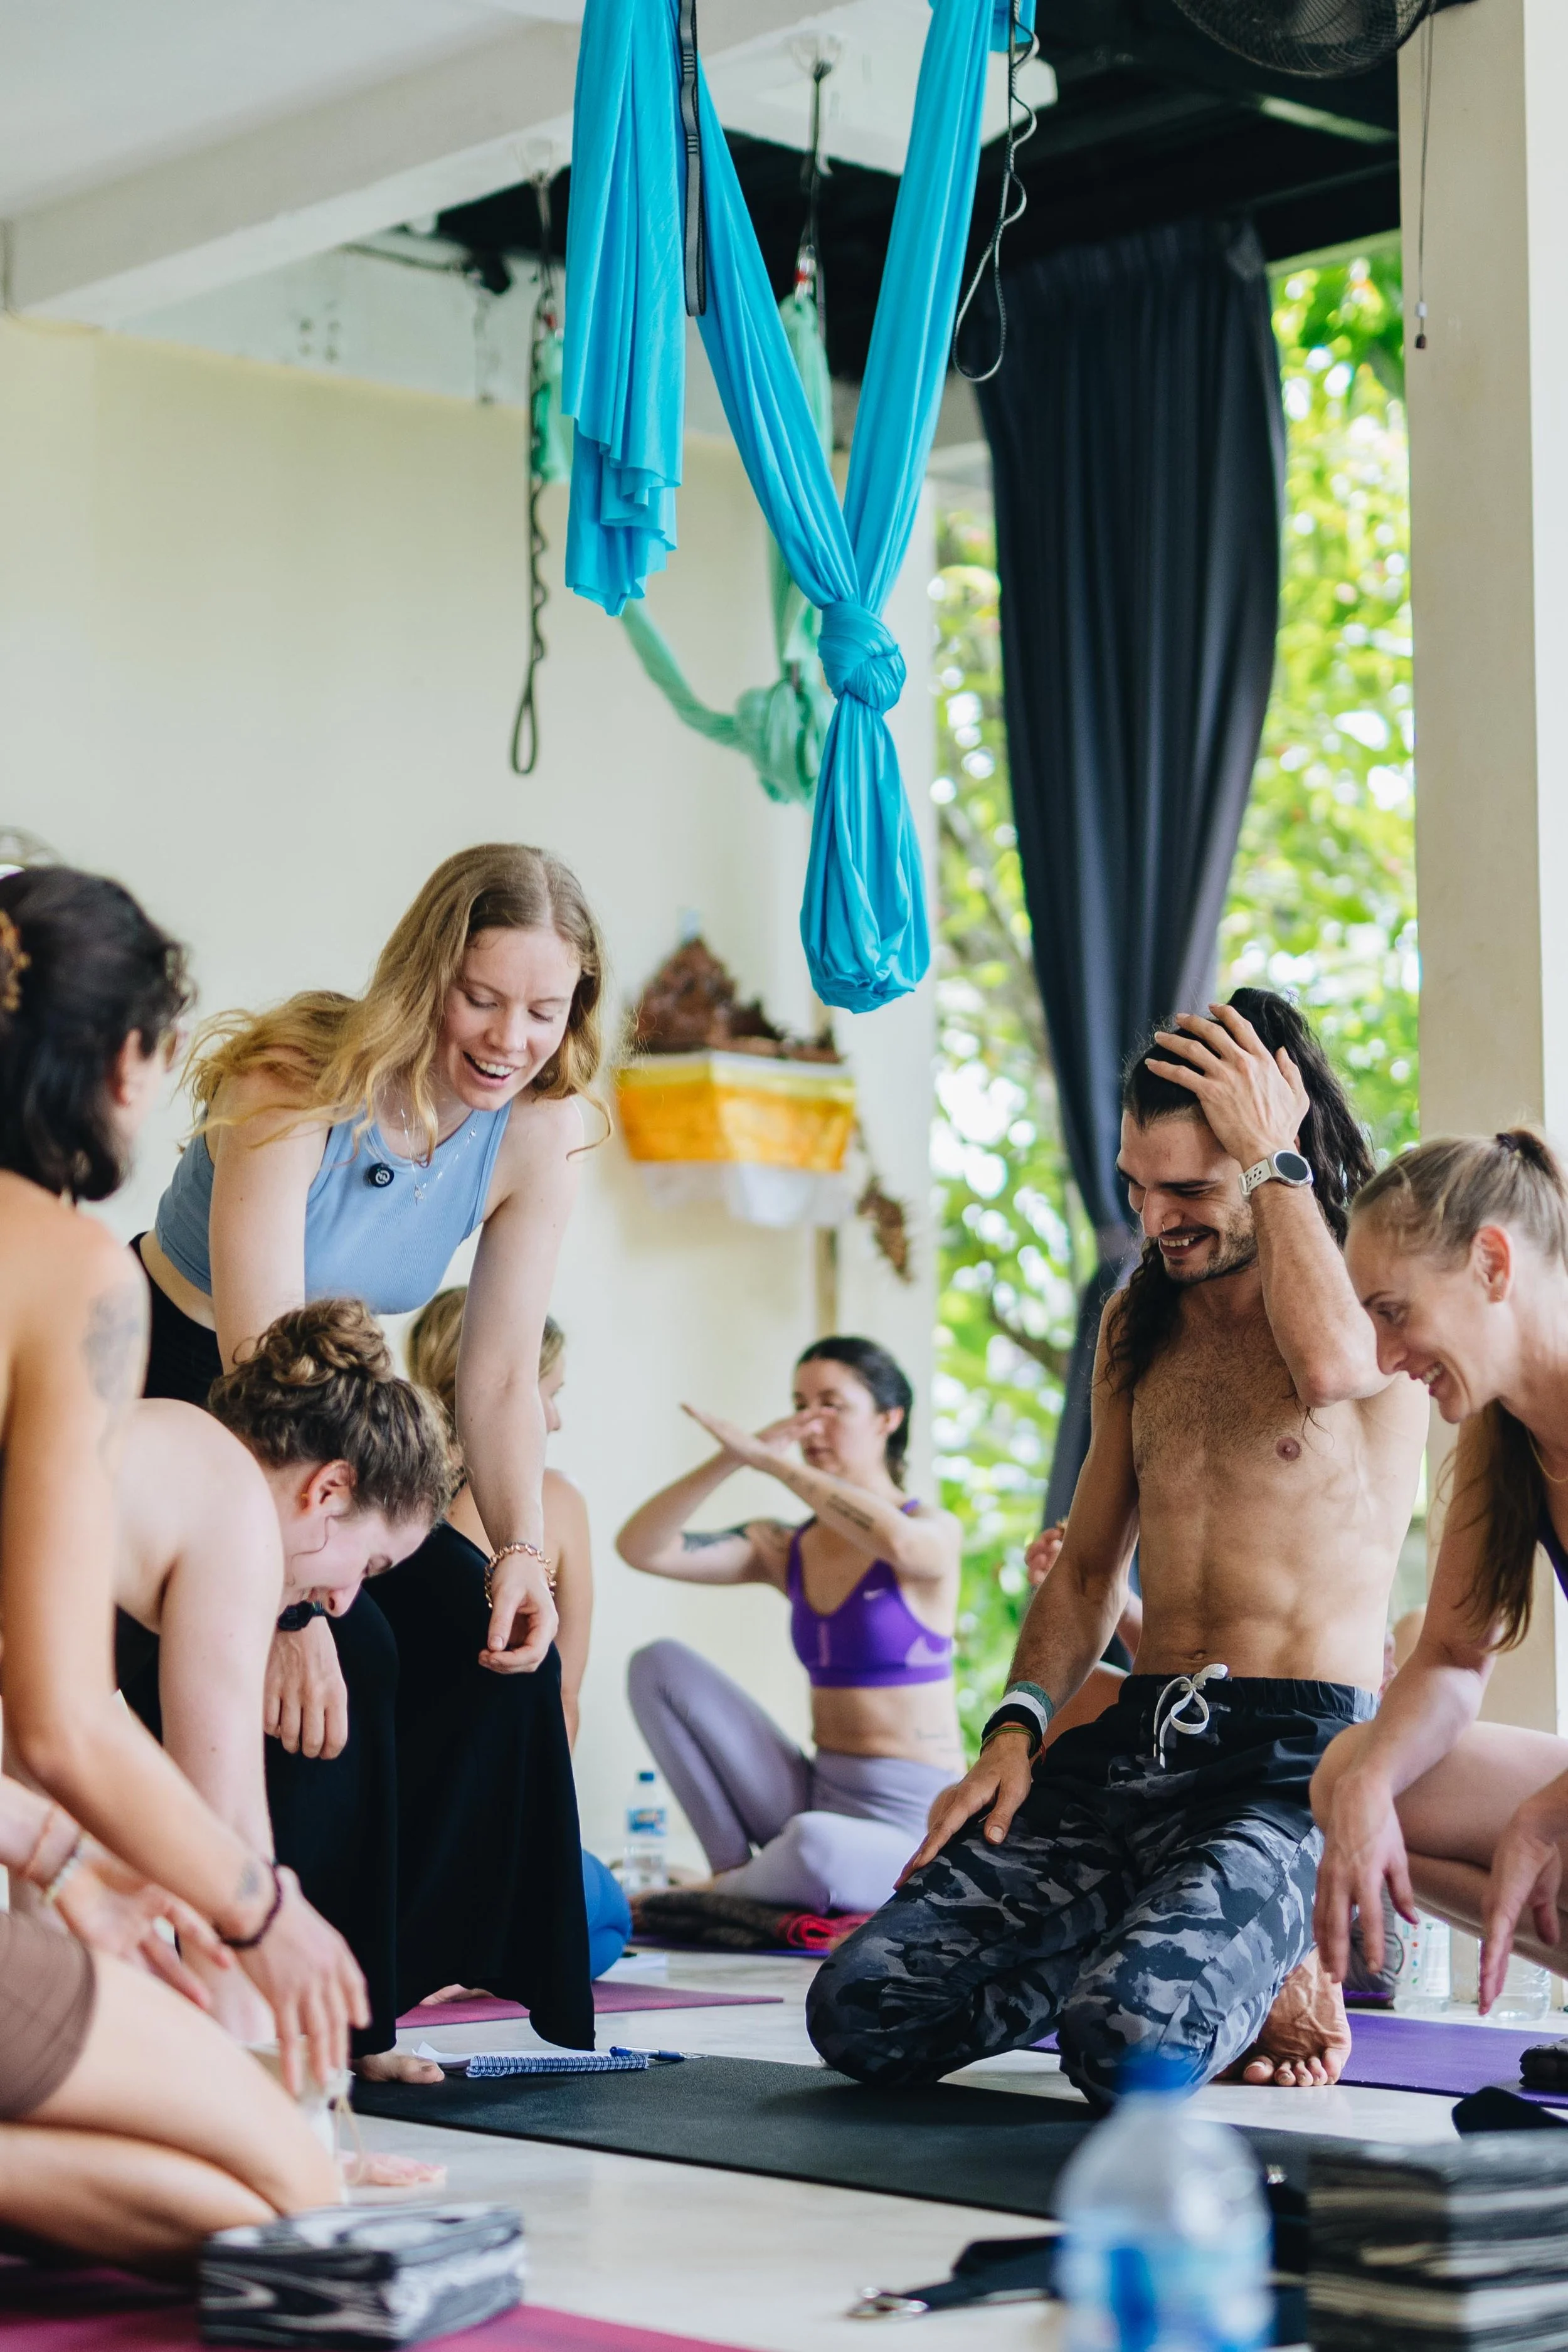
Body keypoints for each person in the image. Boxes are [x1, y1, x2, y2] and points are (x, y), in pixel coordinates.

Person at [805, 991, 1429, 2103]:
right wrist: (1012, 1733)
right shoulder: (1137, 1317)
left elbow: (1334, 1370)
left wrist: (1276, 1155)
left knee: (1127, 2050)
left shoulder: (1369, 1291)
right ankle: (1171, 1951)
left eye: (1189, 1188)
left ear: (1272, 1145)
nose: (1156, 1221)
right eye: (1137, 1188)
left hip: (1290, 1772)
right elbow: (1091, 1569)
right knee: (862, 2011)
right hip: (1138, 1748)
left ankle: (1270, 1960)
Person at [133, 844, 603, 2065]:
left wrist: (520, 1555)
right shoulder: (297, 1082)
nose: (510, 1039)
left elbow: (497, 1375)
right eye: (482, 999)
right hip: (184, 1381)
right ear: (427, 975)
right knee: (359, 1656)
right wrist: (290, 1612)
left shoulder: (538, 1134)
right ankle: (301, 2015)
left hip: (333, 1396)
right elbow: (256, 1360)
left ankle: (364, 1987)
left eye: (544, 1011)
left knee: (485, 1646)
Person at [0, 864, 348, 2265]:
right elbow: (63, 1719)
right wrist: (259, 1909)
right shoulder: (72, 1271)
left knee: (221, 2196)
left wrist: (69, 1865)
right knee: (293, 2198)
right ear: (128, 1064)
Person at [115, 1298, 457, 2038]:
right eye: (365, 1564)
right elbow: (232, 1834)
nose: (342, 1601)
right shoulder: (237, 1519)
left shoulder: (175, 1441)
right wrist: (291, 2114)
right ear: (329, 1489)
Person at [1313, 1130, 1568, 2013]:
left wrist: (1549, 1810)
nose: (1385, 1359)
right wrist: (1367, 1787)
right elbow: (1456, 1654)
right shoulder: (1505, 1440)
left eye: (1393, 1311)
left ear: (1491, 1262)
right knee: (1350, 1771)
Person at [616, 1338, 963, 1917]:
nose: (810, 1423)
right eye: (800, 1404)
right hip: (813, 1790)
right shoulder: (787, 1545)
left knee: (815, 1847)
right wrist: (732, 1457)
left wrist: (771, 1463)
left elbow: (903, 1546)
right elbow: (642, 1548)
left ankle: (718, 1894)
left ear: (888, 1418)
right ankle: (732, 1873)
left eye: (832, 1404)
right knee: (656, 1664)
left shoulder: (930, 1527)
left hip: (911, 1818)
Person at [408, 1288, 629, 1978]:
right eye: (549, 1392)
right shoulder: (551, 1503)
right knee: (606, 1916)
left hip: (386, 1842)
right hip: (483, 1840)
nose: (556, 1419)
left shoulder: (375, 1494)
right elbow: (562, 1698)